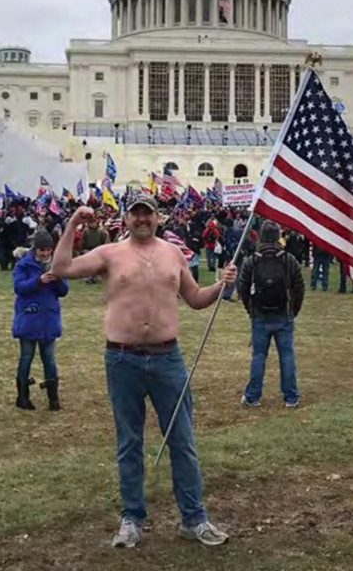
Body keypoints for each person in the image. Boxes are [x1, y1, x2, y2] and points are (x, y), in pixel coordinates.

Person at [50, 193, 235, 549]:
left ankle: (194, 519)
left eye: (147, 213)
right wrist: (73, 223)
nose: (142, 219)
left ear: (157, 217)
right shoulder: (110, 253)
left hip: (168, 360)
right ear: (127, 218)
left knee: (182, 440)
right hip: (122, 360)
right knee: (129, 442)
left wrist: (220, 284)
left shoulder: (173, 254)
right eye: (135, 214)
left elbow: (195, 299)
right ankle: (131, 519)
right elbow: (62, 269)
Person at [237, 221, 305, 407]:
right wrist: (293, 311)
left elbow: (242, 288)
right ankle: (291, 398)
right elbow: (299, 288)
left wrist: (250, 311)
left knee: (258, 356)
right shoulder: (289, 260)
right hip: (283, 315)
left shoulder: (252, 261)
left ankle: (253, 397)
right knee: (287, 356)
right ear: (278, 237)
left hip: (260, 315)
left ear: (260, 236)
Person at [12, 230, 69, 410]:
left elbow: (64, 291)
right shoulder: (23, 265)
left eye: (48, 250)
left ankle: (53, 398)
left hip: (48, 319)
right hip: (29, 318)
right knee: (26, 357)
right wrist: (39, 281)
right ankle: (22, 397)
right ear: (35, 249)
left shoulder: (57, 265)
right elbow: (19, 288)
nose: (45, 254)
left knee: (49, 360)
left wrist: (58, 280)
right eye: (42, 250)